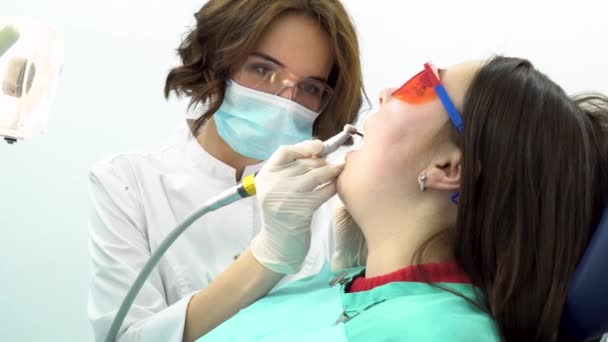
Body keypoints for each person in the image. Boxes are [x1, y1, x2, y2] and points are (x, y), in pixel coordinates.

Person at [194, 56, 608, 341]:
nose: (386, 91)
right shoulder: (343, 284)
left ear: (449, 167)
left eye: (420, 85)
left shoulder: (443, 335)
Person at [87, 0, 364, 341]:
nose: (285, 100)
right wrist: (267, 258)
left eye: (309, 87)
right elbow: (126, 337)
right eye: (263, 70)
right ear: (216, 62)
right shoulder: (127, 183)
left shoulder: (337, 186)